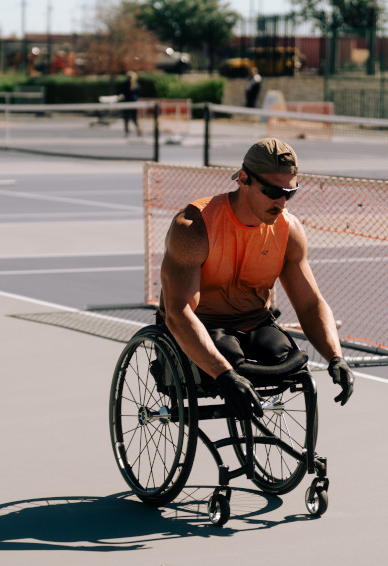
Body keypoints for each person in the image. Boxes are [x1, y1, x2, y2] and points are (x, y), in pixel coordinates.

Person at [159, 138, 354, 420]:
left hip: (255, 322)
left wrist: (336, 357)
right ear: (243, 179)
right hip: (204, 324)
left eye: (290, 192)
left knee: (292, 362)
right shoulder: (194, 227)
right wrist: (224, 374)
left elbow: (310, 304)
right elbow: (178, 313)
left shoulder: (289, 230)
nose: (282, 202)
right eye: (273, 191)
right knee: (232, 361)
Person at [119, 71, 142, 137]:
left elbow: (122, 94)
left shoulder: (126, 85)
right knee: (134, 119)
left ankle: (128, 132)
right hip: (133, 104)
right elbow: (138, 95)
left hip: (128, 104)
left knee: (127, 119)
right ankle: (138, 131)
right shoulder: (137, 85)